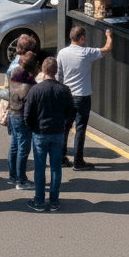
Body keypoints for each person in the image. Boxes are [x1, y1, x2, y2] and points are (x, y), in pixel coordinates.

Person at [22, 58, 75, 212]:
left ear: (43, 71)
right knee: (56, 168)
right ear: (56, 70)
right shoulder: (64, 90)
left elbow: (27, 114)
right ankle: (54, 201)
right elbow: (71, 112)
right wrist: (66, 127)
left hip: (40, 132)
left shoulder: (35, 90)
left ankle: (39, 200)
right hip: (58, 132)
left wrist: (33, 128)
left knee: (39, 168)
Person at [56, 25, 112, 170]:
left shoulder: (62, 53)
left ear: (70, 37)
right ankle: (78, 161)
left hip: (67, 96)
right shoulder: (87, 53)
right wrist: (109, 36)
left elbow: (58, 76)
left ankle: (61, 158)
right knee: (80, 129)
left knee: (65, 127)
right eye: (84, 38)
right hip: (82, 96)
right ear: (81, 38)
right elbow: (106, 49)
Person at [6, 52, 38, 189]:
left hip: (12, 112)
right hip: (22, 116)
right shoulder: (30, 80)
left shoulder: (14, 72)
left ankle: (13, 176)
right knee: (23, 149)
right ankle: (21, 180)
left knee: (14, 145)